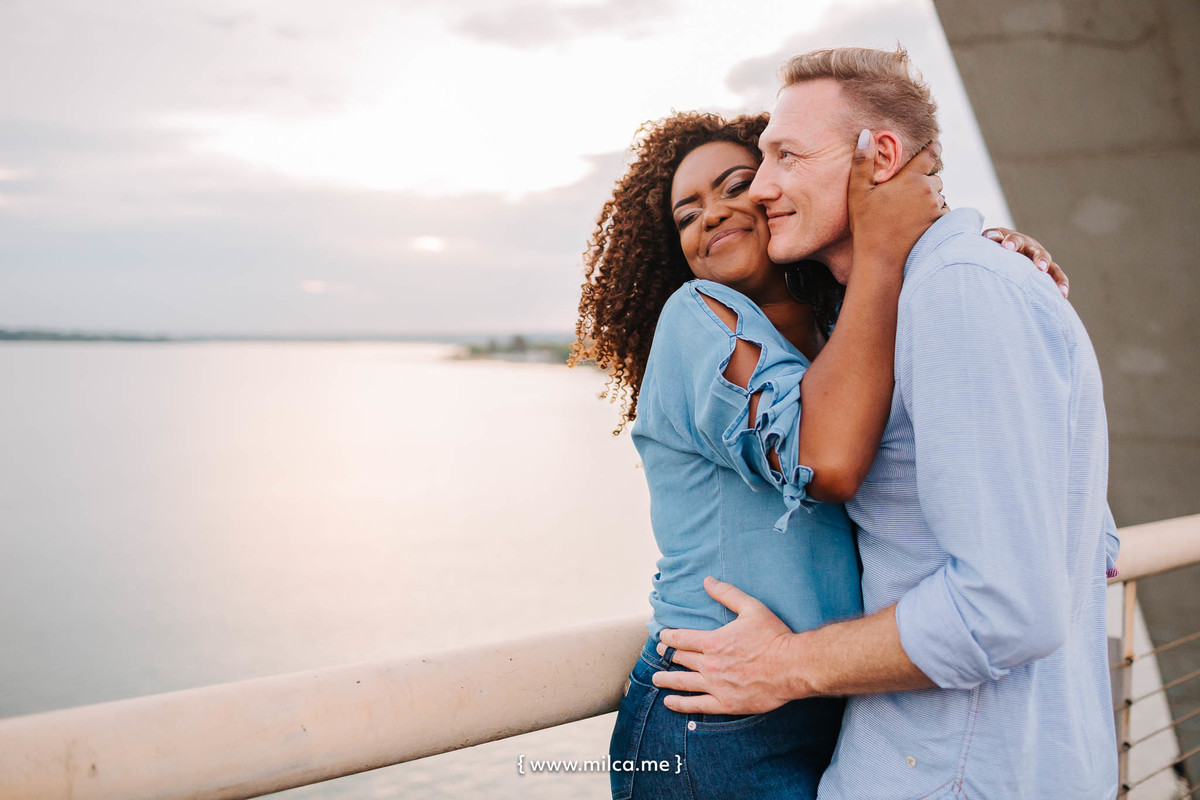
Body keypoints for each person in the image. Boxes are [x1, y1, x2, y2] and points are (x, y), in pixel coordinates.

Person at [651, 47, 1120, 800]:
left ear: (882, 157)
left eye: (783, 159)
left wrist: (788, 664)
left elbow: (1012, 599)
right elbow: (1082, 540)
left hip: (944, 764)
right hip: (745, 701)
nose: (760, 190)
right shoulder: (891, 308)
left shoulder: (954, 289)